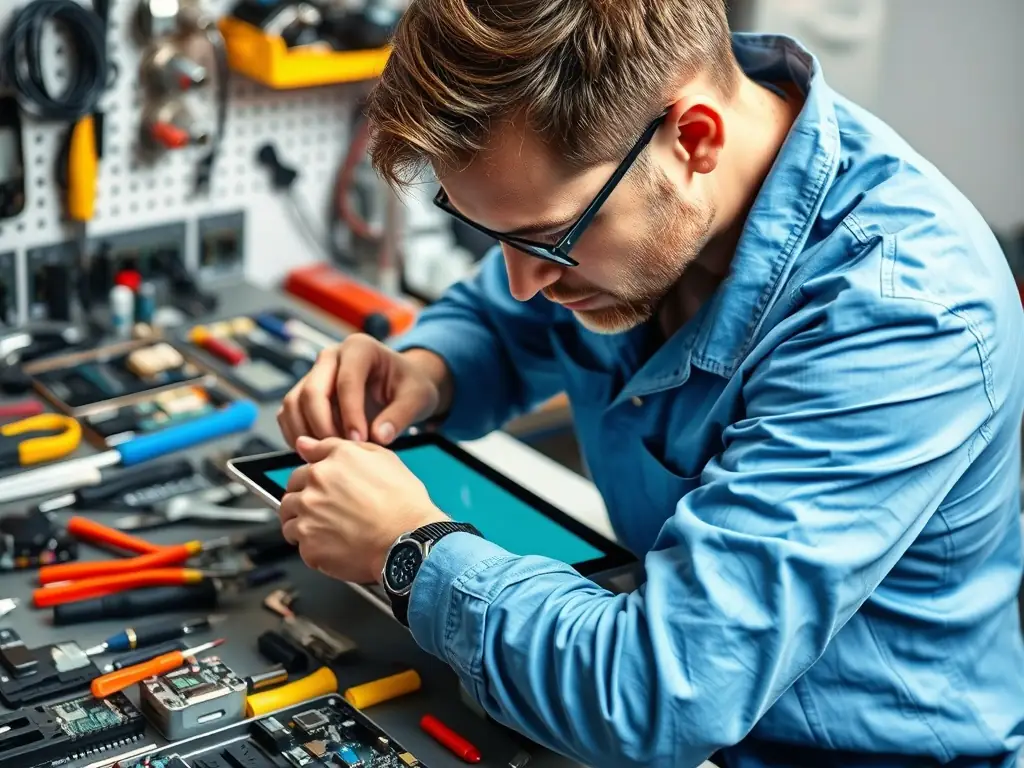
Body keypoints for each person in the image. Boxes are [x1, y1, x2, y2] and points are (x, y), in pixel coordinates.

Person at [275, 1, 1024, 766]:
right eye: (496, 236)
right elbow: (505, 318)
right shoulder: (630, 166)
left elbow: (665, 691)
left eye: (548, 240)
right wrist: (425, 369)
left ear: (695, 139)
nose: (525, 282)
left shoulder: (900, 317)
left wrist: (409, 548)